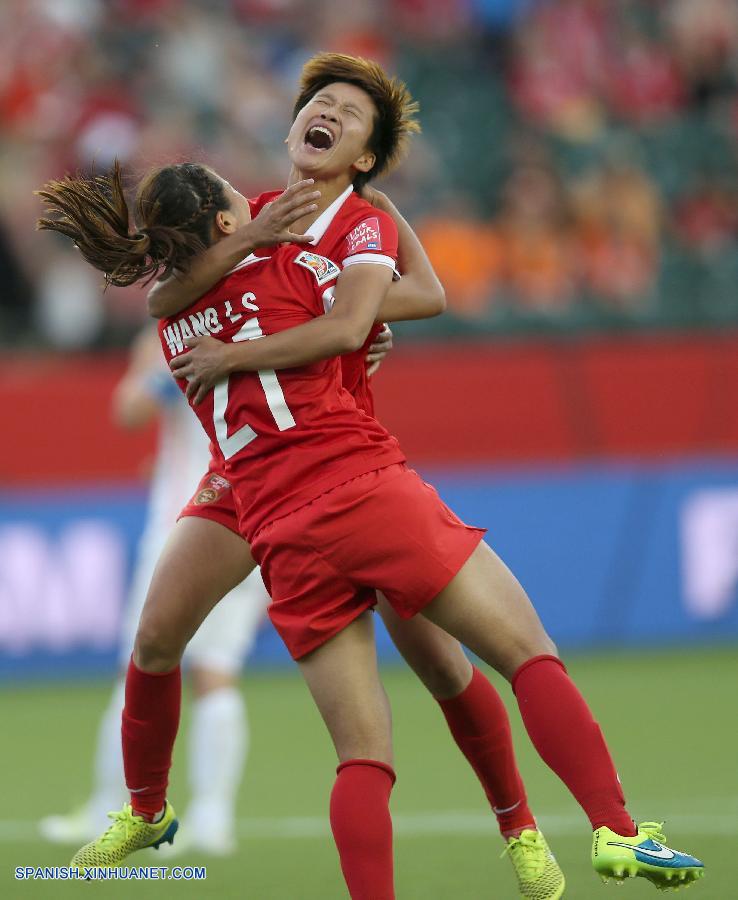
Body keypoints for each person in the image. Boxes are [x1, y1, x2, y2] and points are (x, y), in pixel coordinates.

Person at [37, 55, 704, 897]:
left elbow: (395, 300)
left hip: (281, 512)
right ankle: (606, 828)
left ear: (363, 155)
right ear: (285, 136)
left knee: (412, 694)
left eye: (348, 113)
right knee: (498, 657)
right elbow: (344, 303)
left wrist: (351, 314)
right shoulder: (277, 234)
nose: (327, 112)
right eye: (319, 102)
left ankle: (517, 828)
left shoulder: (328, 230)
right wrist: (330, 314)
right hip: (315, 483)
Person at [38, 324, 270, 856]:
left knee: (144, 666)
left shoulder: (174, 329)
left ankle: (112, 808)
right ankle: (214, 819)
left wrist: (171, 365)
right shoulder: (262, 317)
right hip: (258, 513)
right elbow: (131, 410)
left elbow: (130, 410)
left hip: (186, 524)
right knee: (216, 672)